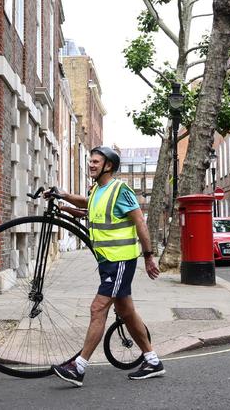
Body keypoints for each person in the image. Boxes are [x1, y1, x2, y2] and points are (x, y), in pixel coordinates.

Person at [50, 146, 164, 387]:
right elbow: (87, 206)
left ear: (108, 166)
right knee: (126, 311)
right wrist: (62, 198)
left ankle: (78, 367)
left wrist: (149, 256)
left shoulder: (120, 190)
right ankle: (152, 361)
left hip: (120, 260)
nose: (90, 165)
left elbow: (140, 222)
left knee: (97, 308)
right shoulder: (97, 191)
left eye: (95, 161)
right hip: (107, 261)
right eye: (89, 161)